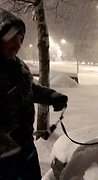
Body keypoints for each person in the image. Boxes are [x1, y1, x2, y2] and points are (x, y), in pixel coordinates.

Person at [0, 8, 68, 179]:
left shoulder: (17, 66)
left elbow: (29, 90)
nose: (17, 43)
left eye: (20, 38)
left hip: (25, 150)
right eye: (12, 37)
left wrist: (52, 97)